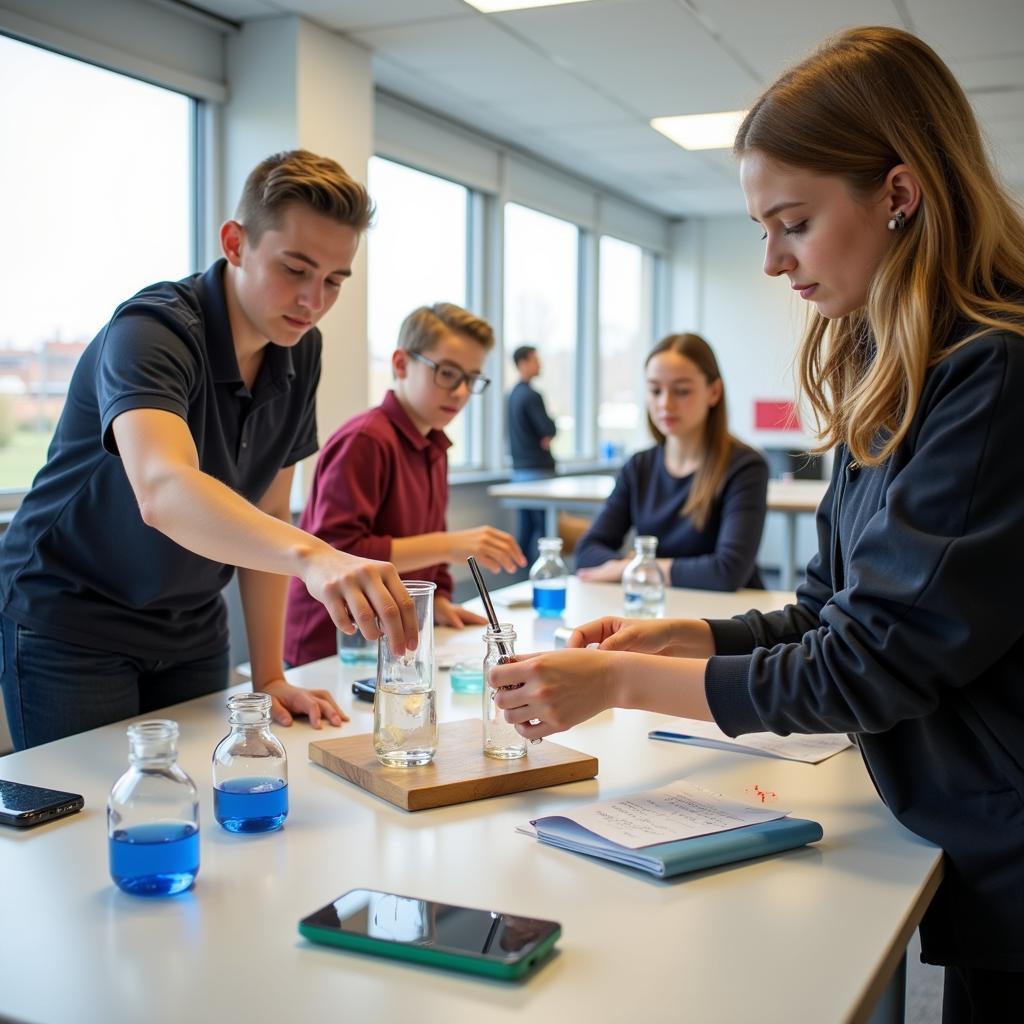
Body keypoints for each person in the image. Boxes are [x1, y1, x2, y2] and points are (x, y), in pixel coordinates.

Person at [490, 27, 1024, 1020]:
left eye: (793, 223)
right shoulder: (893, 373)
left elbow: (867, 665)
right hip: (961, 823)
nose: (773, 261)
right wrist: (682, 635)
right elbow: (828, 610)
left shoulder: (992, 375)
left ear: (899, 195)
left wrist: (617, 679)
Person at [0, 149, 419, 750]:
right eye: (295, 269)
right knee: (92, 824)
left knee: (200, 802)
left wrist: (270, 675)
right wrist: (317, 557)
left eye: (333, 280)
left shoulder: (301, 349)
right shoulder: (152, 330)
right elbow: (164, 489)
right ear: (234, 242)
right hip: (72, 614)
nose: (313, 300)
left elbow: (271, 515)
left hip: (191, 625)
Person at [284, 303, 525, 666]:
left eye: (471, 379)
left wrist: (440, 598)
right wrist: (448, 545)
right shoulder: (366, 440)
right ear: (400, 364)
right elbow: (336, 553)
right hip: (336, 644)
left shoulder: (435, 445)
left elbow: (430, 548)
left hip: (394, 638)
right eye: (447, 373)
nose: (460, 392)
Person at [574, 333, 768, 590]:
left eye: (682, 391)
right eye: (655, 390)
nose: (665, 403)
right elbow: (587, 553)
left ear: (714, 392)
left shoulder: (745, 466)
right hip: (655, 609)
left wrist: (634, 566)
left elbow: (727, 571)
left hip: (724, 619)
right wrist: (650, 569)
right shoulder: (638, 466)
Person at [507, 344, 557, 564]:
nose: (540, 364)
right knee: (545, 530)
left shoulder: (512, 395)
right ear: (523, 363)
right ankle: (544, 575)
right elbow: (547, 429)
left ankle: (521, 576)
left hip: (519, 471)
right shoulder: (532, 396)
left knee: (526, 528)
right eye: (535, 360)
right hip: (538, 470)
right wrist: (549, 430)